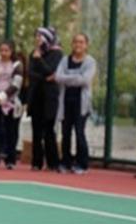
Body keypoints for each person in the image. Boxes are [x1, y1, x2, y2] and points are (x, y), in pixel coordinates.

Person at [55, 33, 97, 175]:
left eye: (81, 42)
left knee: (79, 133)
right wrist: (75, 77)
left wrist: (68, 78)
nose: (78, 45)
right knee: (65, 133)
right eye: (75, 42)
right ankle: (65, 162)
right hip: (66, 101)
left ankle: (82, 163)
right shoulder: (65, 60)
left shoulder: (90, 62)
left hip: (81, 103)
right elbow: (58, 77)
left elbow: (85, 80)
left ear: (86, 45)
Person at [28, 27, 63, 171]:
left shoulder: (57, 53)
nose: (37, 39)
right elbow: (31, 73)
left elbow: (52, 71)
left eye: (40, 36)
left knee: (49, 129)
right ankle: (36, 162)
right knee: (36, 130)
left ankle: (53, 162)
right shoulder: (34, 53)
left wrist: (39, 60)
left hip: (50, 97)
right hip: (36, 95)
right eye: (36, 36)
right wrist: (44, 77)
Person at [0, 41, 24, 169]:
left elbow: (16, 84)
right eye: (1, 50)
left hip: (11, 102)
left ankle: (10, 160)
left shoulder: (17, 65)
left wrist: (4, 96)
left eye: (6, 50)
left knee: (10, 131)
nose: (3, 53)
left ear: (11, 51)